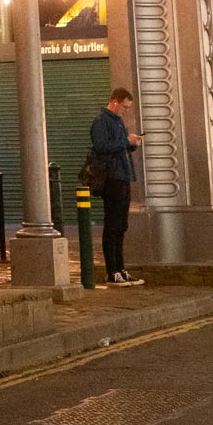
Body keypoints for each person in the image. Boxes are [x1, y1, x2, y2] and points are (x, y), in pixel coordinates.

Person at [90, 85, 143, 285]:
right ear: (114, 102)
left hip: (123, 175)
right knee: (112, 224)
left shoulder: (118, 122)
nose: (126, 111)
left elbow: (120, 146)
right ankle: (111, 271)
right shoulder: (101, 121)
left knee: (121, 225)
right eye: (124, 107)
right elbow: (101, 146)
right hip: (112, 177)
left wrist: (132, 143)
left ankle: (121, 268)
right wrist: (125, 141)